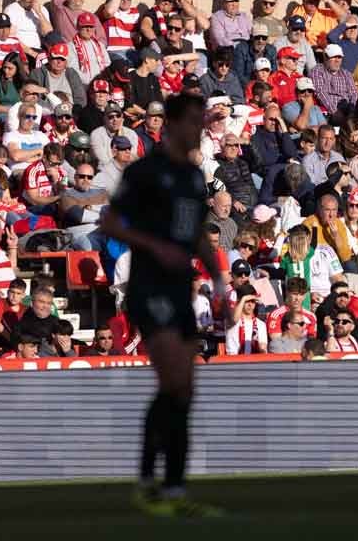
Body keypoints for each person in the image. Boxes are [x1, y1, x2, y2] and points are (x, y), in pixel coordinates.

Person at [100, 93, 225, 517]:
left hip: (178, 288)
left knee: (183, 389)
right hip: (148, 285)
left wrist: (220, 277)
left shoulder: (192, 176)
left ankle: (171, 488)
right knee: (174, 379)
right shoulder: (145, 171)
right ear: (169, 124)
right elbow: (111, 222)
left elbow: (190, 235)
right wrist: (156, 246)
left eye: (201, 121)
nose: (198, 129)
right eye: (192, 121)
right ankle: (149, 483)